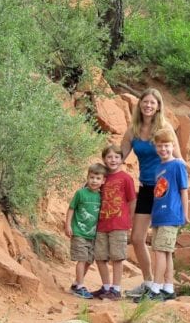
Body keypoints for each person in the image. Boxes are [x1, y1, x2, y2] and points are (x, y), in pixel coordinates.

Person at [120, 87, 181, 298]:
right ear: (140, 105)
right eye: (145, 102)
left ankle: (164, 286)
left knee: (160, 242)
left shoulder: (165, 128)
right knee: (137, 238)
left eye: (152, 103)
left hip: (164, 190)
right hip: (146, 188)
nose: (148, 106)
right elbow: (119, 157)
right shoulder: (133, 130)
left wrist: (180, 193)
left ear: (158, 106)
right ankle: (148, 282)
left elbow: (179, 160)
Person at [137, 126, 188, 302]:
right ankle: (168, 287)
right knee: (165, 252)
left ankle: (156, 288)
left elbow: (184, 190)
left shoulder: (178, 165)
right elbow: (158, 193)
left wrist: (185, 214)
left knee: (159, 251)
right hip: (159, 215)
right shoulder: (159, 168)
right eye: (159, 146)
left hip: (171, 214)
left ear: (173, 146)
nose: (163, 149)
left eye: (166, 145)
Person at [92, 143, 137, 301]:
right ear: (104, 159)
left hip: (119, 223)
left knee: (117, 257)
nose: (113, 160)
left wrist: (130, 221)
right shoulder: (101, 177)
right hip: (102, 224)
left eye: (116, 157)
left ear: (121, 159)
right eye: (109, 157)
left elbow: (132, 201)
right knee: (100, 256)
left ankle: (116, 289)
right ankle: (105, 287)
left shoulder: (126, 178)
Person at [64, 162, 107, 298]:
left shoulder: (101, 196)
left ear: (103, 180)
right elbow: (71, 208)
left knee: (89, 260)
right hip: (79, 232)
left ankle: (76, 284)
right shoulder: (80, 193)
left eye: (98, 178)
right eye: (92, 177)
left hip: (93, 235)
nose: (94, 181)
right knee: (81, 259)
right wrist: (68, 225)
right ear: (87, 178)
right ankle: (80, 286)